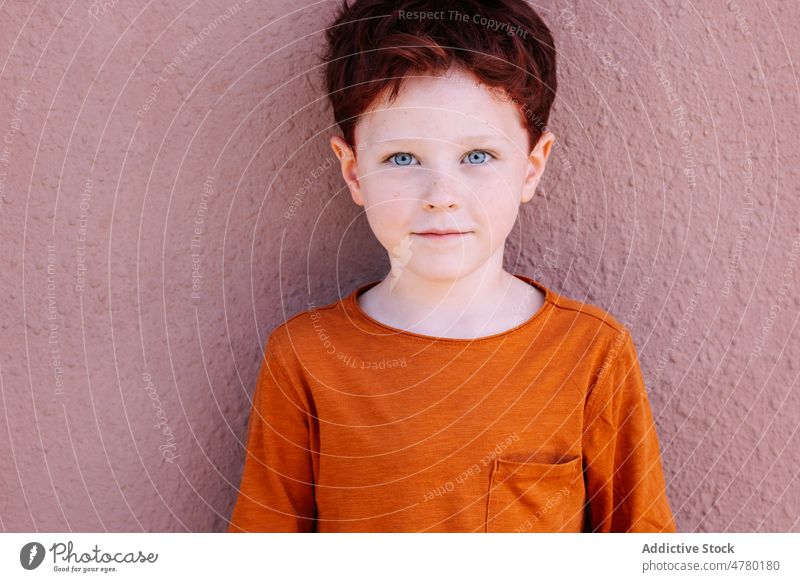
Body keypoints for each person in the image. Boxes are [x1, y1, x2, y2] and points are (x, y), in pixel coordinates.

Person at [228, 0, 676, 533]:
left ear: (531, 168)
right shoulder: (304, 358)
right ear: (353, 172)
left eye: (478, 156)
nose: (442, 195)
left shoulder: (592, 354)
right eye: (402, 159)